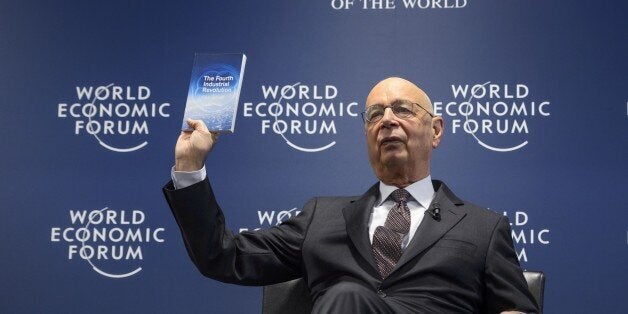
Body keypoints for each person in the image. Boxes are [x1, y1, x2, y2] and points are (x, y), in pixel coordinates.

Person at [163, 77, 539, 313]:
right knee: (347, 297)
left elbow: (517, 309)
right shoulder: (321, 217)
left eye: (402, 110)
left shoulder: (483, 227)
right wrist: (190, 164)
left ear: (436, 130)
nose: (387, 119)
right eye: (374, 114)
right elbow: (222, 257)